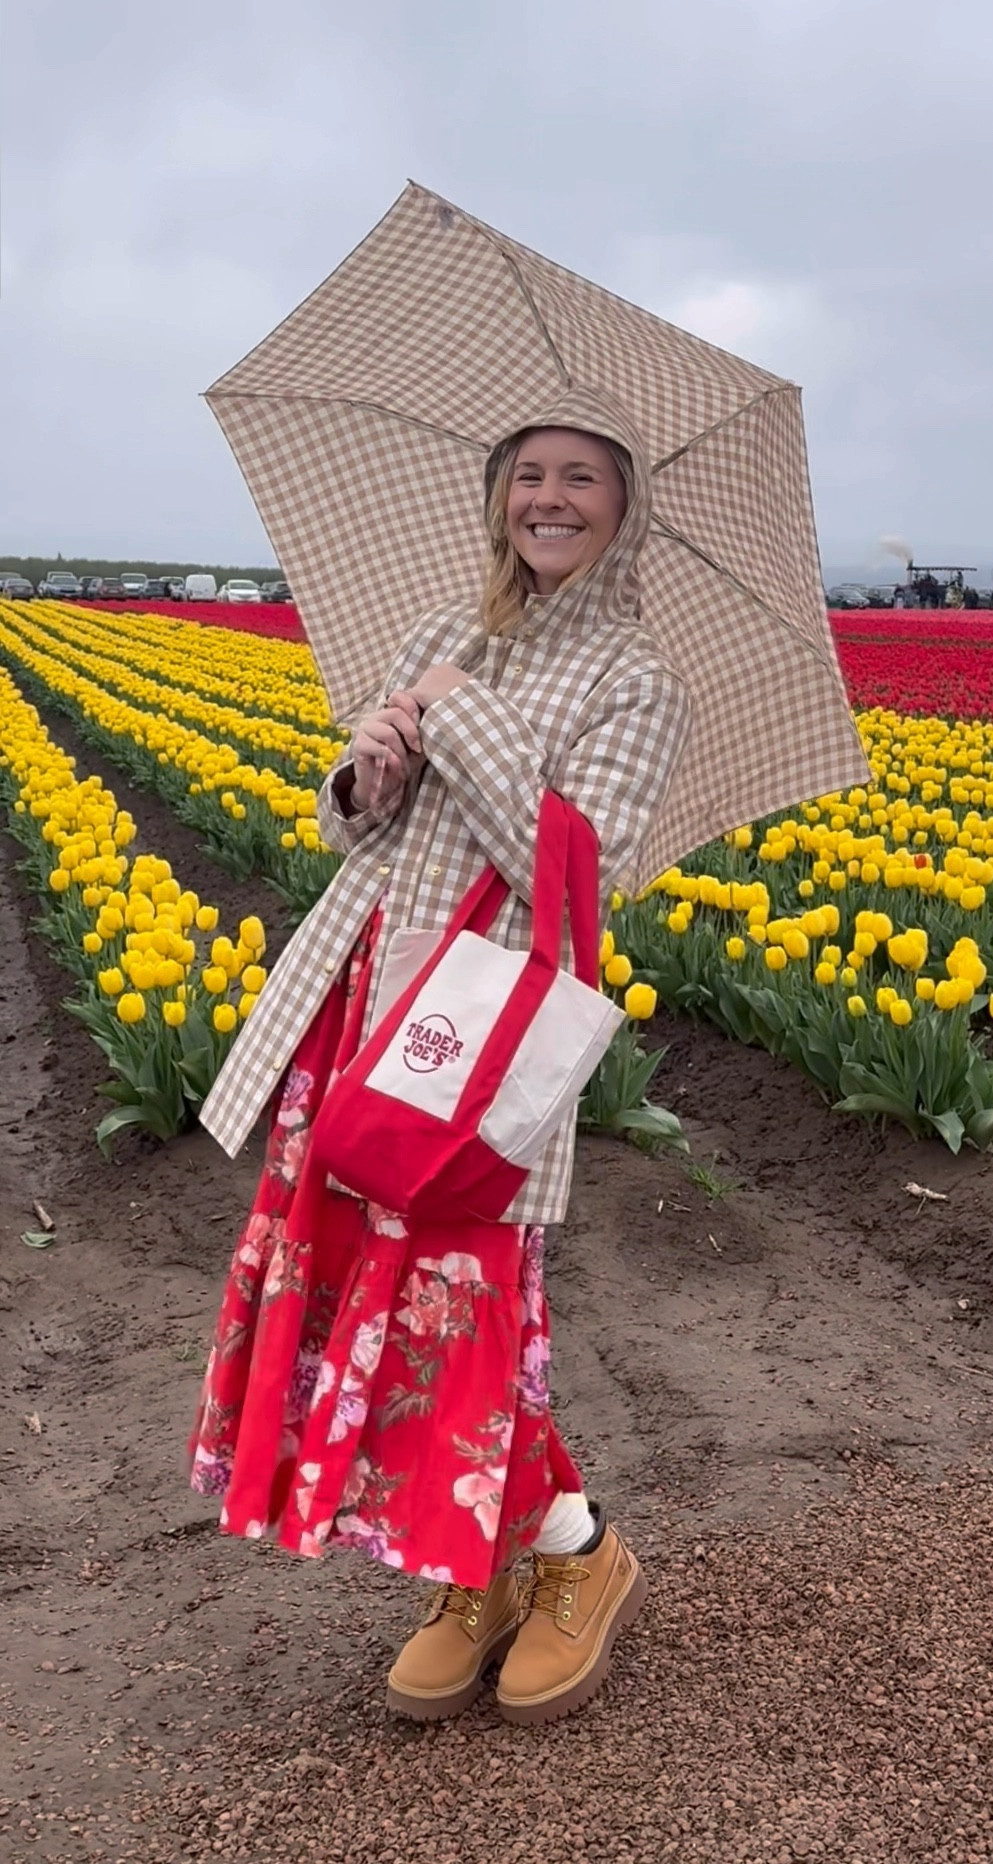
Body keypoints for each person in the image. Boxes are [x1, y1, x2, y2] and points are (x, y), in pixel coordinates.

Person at [190, 393, 692, 1726]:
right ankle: (490, 1562)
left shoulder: (635, 679)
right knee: (378, 1298)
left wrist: (457, 718)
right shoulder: (442, 634)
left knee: (465, 1311)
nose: (549, 498)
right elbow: (368, 843)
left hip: (479, 1041)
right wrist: (363, 774)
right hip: (370, 1013)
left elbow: (576, 874)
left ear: (623, 505)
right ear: (498, 495)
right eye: (527, 473)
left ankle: (569, 1561)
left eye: (580, 478)